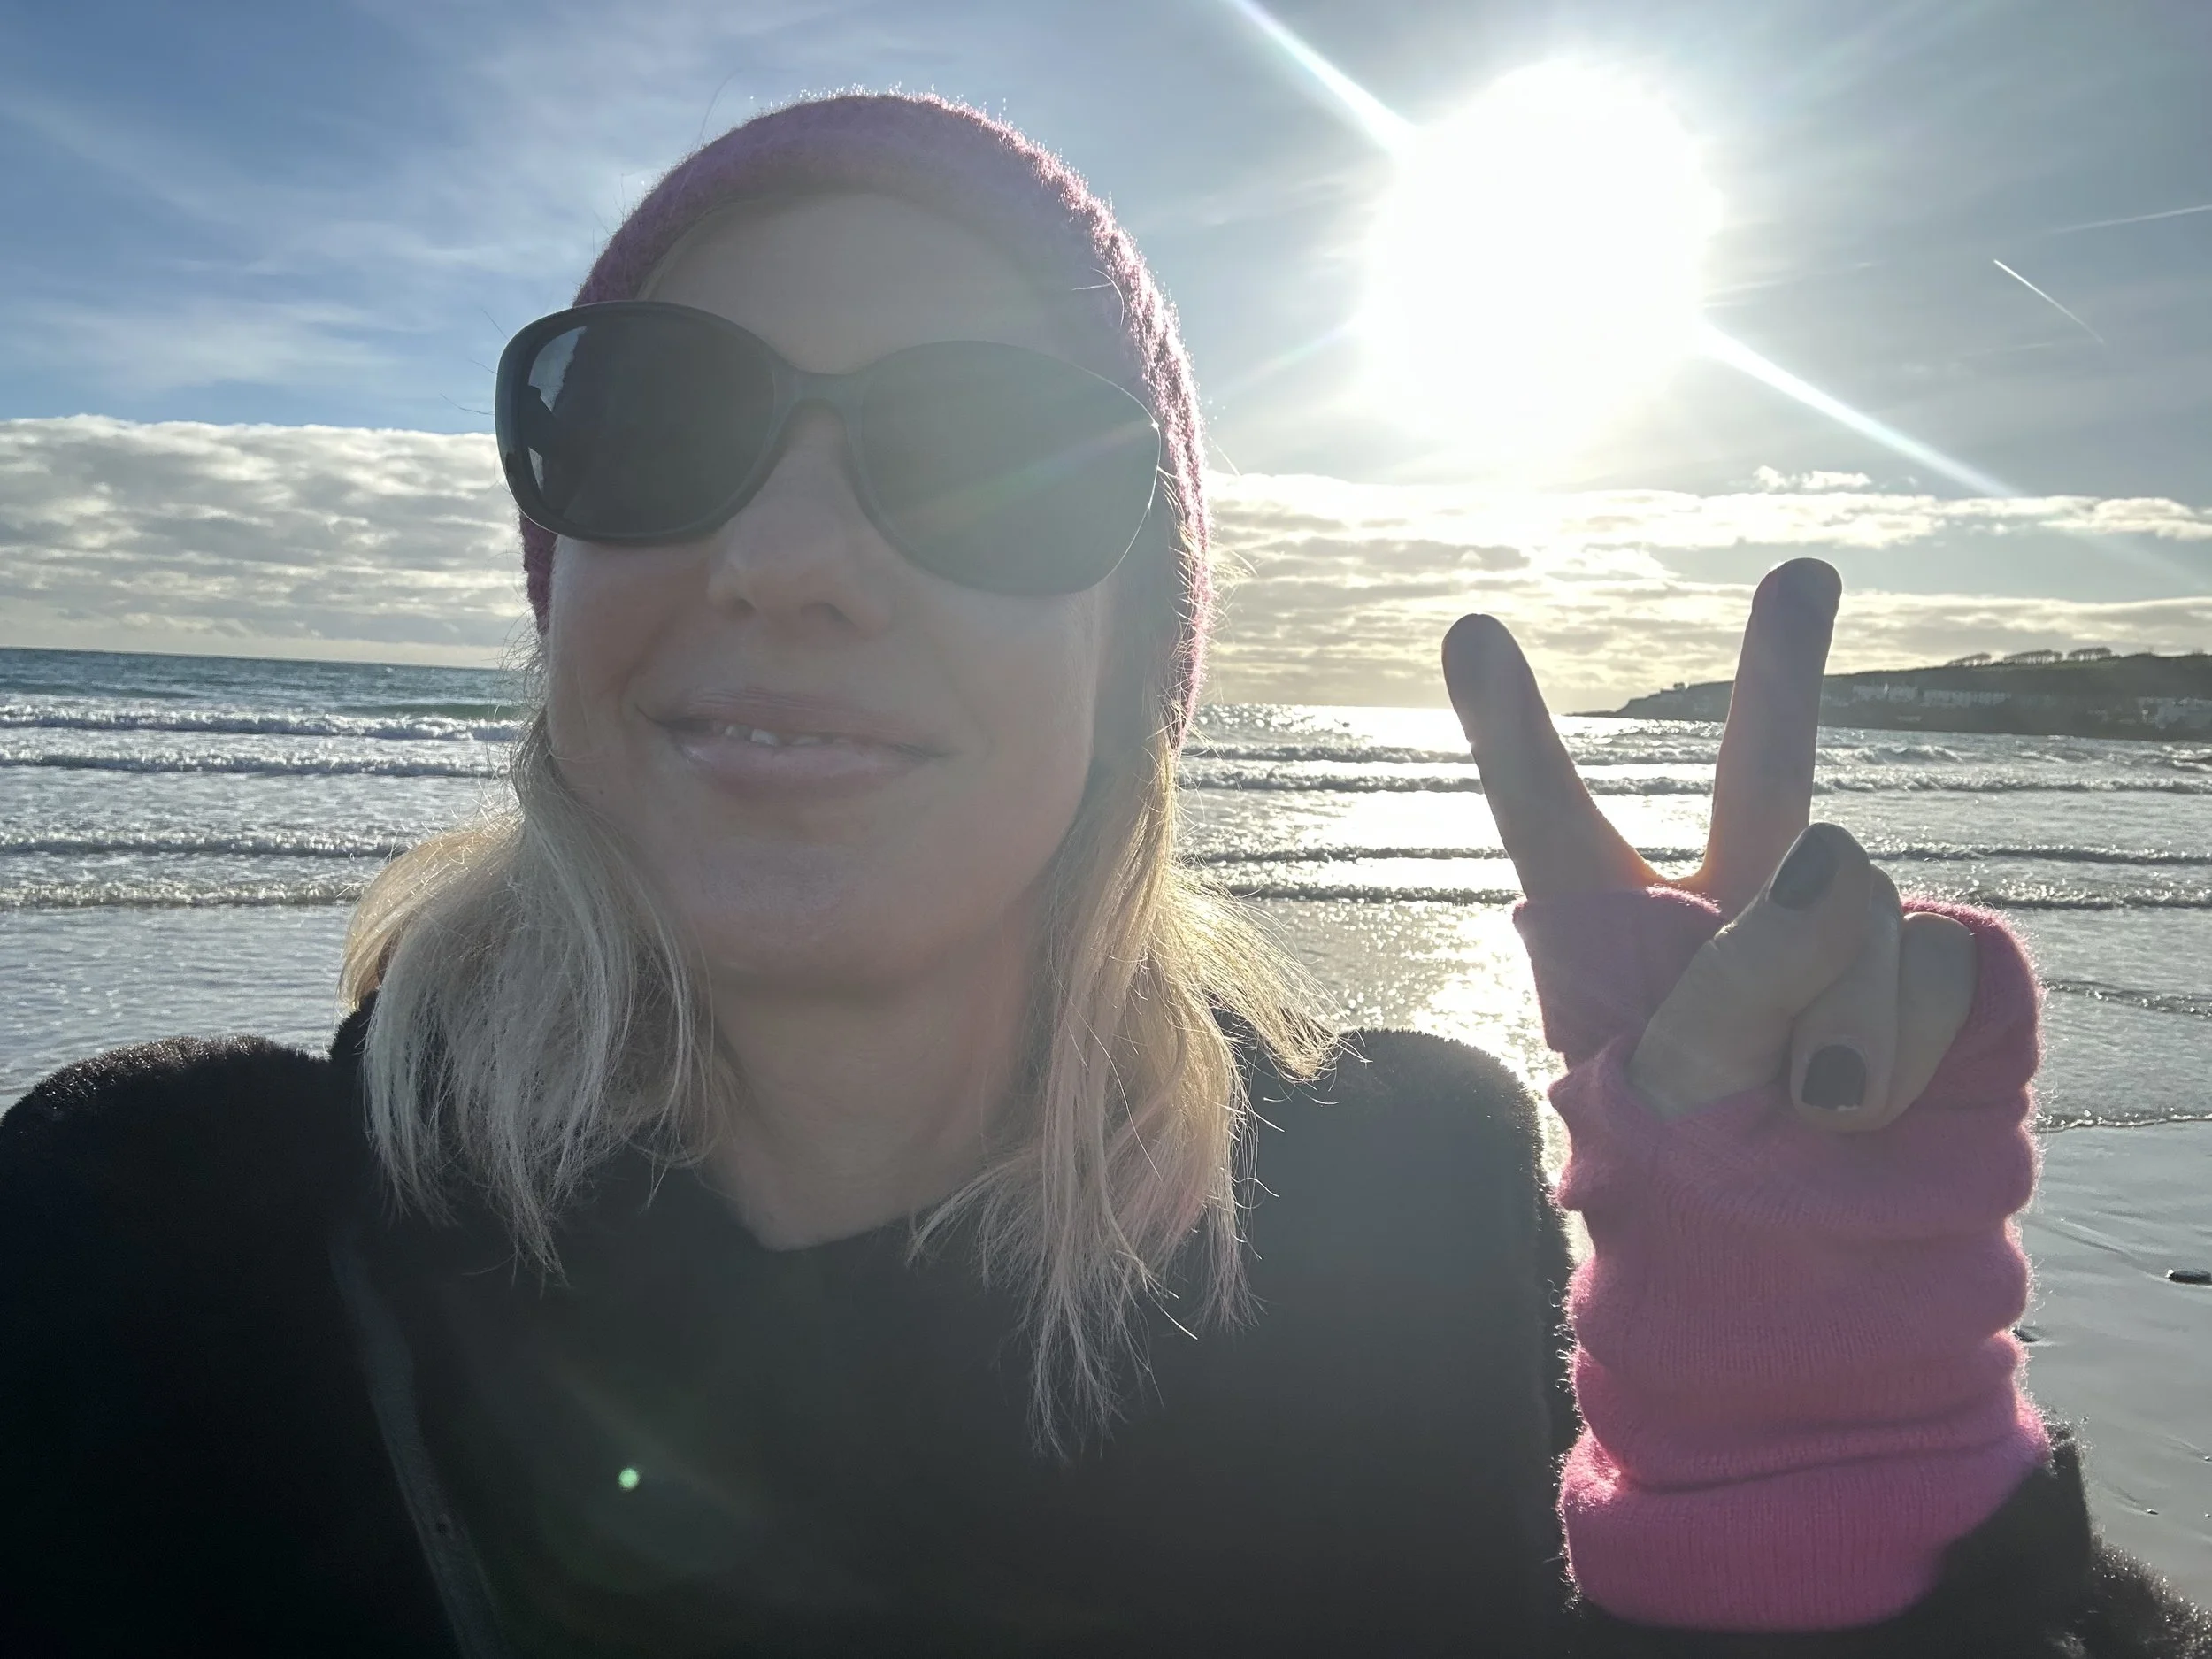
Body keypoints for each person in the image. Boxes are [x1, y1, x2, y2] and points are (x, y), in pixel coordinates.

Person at [2, 93, 2205, 1658]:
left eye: (971, 454)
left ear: (1138, 654)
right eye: (656, 422)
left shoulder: (1420, 1255)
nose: (780, 562)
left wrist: (1828, 1469)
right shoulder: (142, 1257)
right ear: (555, 565)